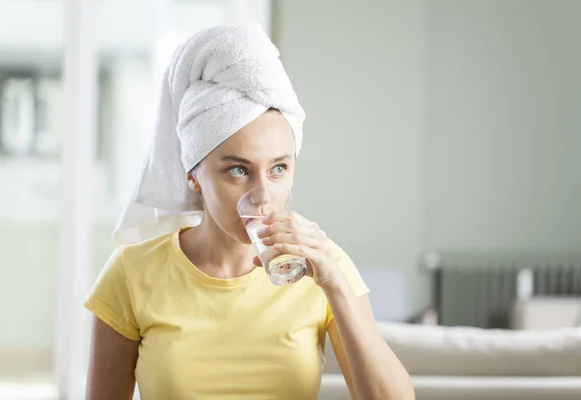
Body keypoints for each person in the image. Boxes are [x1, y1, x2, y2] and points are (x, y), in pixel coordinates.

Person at [84, 24, 414, 400]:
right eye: (238, 170)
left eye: (279, 169)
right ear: (193, 176)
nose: (263, 196)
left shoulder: (324, 265)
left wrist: (335, 285)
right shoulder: (132, 273)